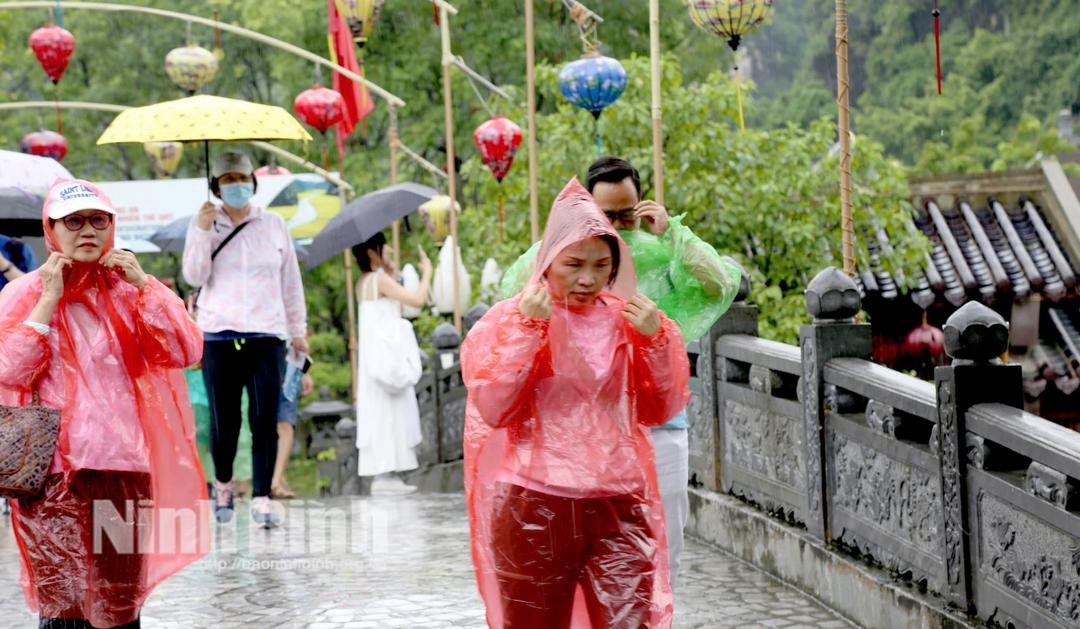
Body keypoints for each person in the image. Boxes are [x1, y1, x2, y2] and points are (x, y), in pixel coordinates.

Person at [500, 157, 743, 589]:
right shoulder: (566, 260)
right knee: (598, 563)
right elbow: (513, 295)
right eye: (605, 215)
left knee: (663, 550)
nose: (618, 225)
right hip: (584, 435)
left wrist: (674, 232)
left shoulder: (663, 253)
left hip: (660, 424)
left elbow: (718, 286)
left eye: (625, 214)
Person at [463, 178, 691, 628]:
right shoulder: (512, 319)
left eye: (601, 265)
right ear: (547, 262)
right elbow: (493, 407)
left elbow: (660, 407)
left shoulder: (632, 319)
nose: (587, 279)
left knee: (631, 621)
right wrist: (528, 331)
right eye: (573, 264)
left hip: (619, 502)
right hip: (533, 502)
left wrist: (656, 341)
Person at [0, 179, 207, 628]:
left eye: (98, 220)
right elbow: (9, 370)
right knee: (64, 608)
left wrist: (146, 285)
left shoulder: (131, 290)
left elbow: (184, 350)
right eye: (73, 221)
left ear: (112, 226)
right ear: (51, 228)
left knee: (120, 606)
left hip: (123, 469)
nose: (87, 231)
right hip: (51, 475)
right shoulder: (24, 294)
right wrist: (48, 301)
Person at [182, 152, 308, 527]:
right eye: (228, 179)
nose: (236, 184)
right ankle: (222, 487)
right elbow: (193, 275)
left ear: (253, 180)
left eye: (242, 177)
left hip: (267, 334)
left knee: (264, 419)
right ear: (216, 186)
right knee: (225, 422)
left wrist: (298, 331)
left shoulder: (273, 224)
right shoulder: (204, 223)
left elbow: (290, 282)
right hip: (219, 334)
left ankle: (262, 497)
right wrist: (203, 231)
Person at [352, 232, 432, 495]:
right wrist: (428, 272)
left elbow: (388, 311)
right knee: (391, 413)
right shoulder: (379, 279)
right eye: (383, 247)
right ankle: (388, 473)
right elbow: (417, 301)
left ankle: (386, 473)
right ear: (373, 252)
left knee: (381, 412)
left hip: (375, 361)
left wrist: (393, 273)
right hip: (387, 361)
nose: (388, 250)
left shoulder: (363, 282)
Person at [272, 358, 314, 499]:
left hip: (290, 365)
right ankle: (278, 478)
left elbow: (300, 339)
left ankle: (276, 481)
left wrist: (305, 372)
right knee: (265, 423)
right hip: (261, 356)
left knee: (285, 423)